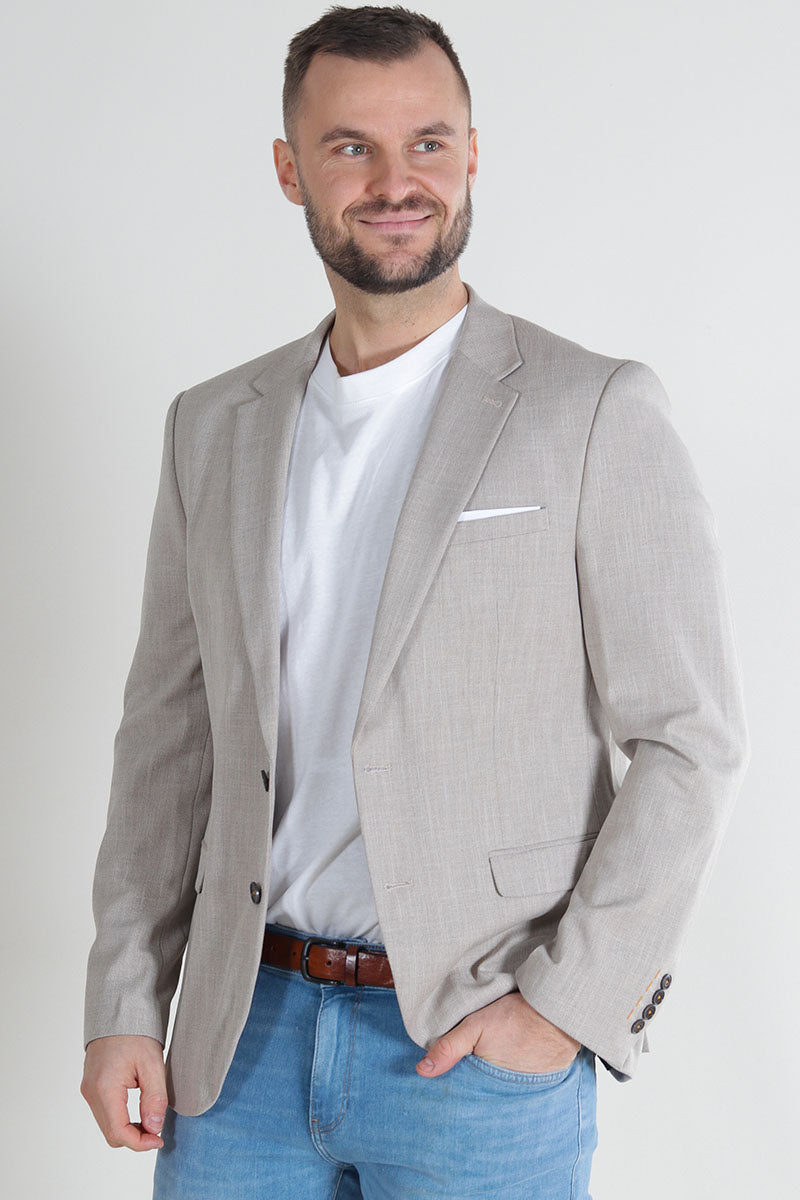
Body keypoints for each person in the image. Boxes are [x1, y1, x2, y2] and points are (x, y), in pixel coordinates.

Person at [80, 5, 750, 1198]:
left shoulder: (589, 409)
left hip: (473, 1049)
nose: (396, 183)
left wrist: (565, 1004)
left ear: (472, 154)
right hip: (237, 1045)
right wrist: (126, 999)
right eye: (350, 148)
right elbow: (167, 737)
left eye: (427, 143)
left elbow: (687, 738)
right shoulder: (212, 425)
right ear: (289, 169)